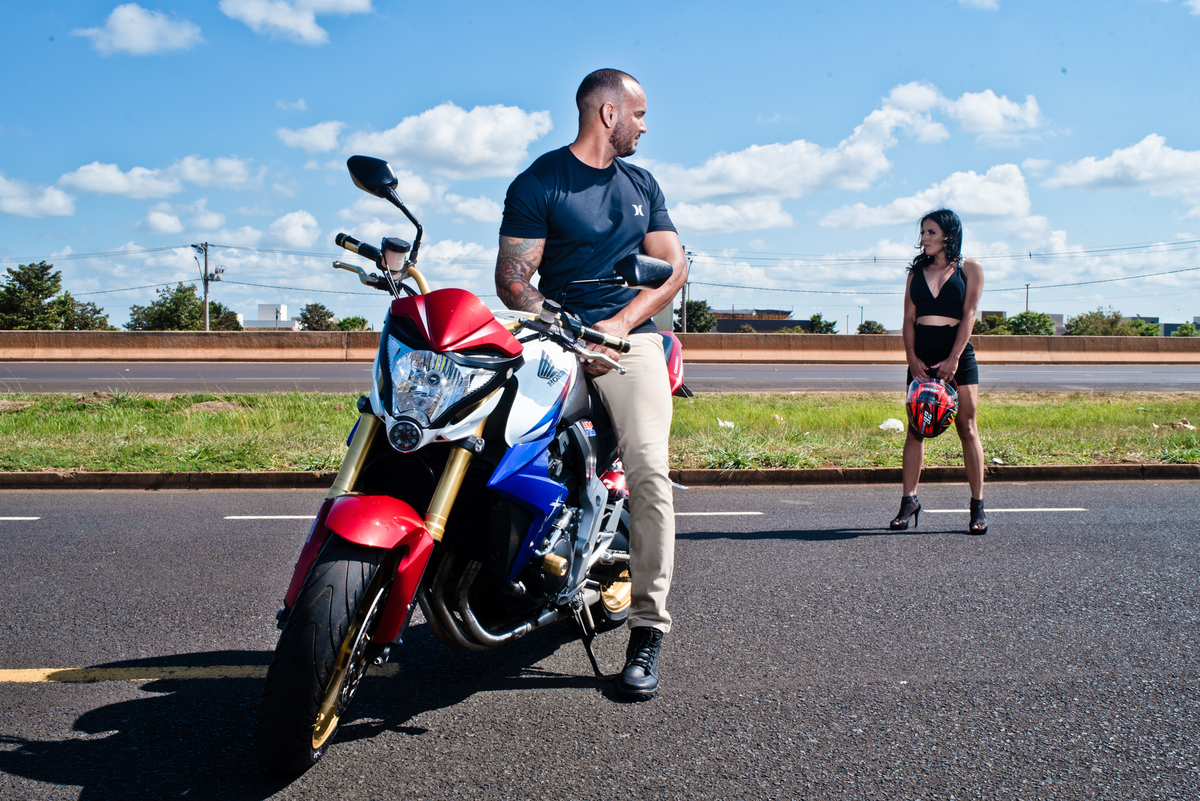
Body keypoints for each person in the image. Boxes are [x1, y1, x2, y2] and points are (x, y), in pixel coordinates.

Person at [494, 69, 688, 700]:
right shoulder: (540, 181)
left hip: (632, 339)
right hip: (557, 333)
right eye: (639, 113)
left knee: (650, 471)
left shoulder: (642, 184)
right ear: (608, 113)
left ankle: (647, 629)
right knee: (491, 435)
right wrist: (570, 331)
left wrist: (618, 327)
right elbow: (514, 282)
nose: (644, 126)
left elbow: (674, 267)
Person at [891, 208, 988, 535]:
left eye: (930, 232)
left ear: (948, 234)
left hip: (956, 351)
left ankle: (977, 506)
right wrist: (912, 358)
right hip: (922, 352)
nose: (924, 239)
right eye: (922, 233)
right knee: (915, 427)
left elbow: (969, 313)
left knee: (967, 427)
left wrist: (954, 358)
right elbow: (908, 319)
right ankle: (909, 502)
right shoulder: (915, 273)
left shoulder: (970, 269)